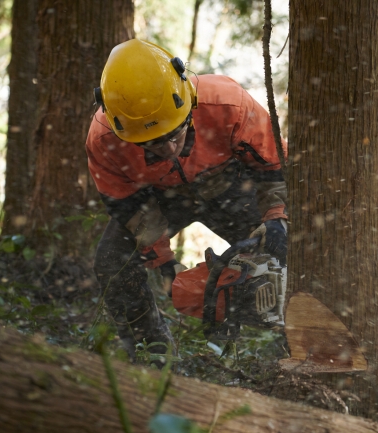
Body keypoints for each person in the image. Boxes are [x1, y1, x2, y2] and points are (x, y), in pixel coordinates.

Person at [86, 39, 288, 363]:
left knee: (290, 248)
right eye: (150, 143)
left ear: (188, 102)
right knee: (112, 260)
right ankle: (152, 354)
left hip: (232, 185)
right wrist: (165, 264)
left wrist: (276, 219)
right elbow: (131, 209)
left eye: (173, 134)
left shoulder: (227, 104)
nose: (166, 148)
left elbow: (273, 168)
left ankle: (301, 352)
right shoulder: (104, 141)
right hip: (162, 198)